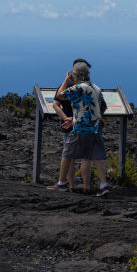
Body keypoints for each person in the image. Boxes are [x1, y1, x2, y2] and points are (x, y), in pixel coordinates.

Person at [52, 60, 110, 196]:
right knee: (95, 156)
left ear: (75, 75)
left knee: (67, 154)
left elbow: (60, 96)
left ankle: (61, 183)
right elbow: (103, 108)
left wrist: (66, 81)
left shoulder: (79, 87)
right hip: (96, 127)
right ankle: (103, 185)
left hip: (82, 129)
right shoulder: (96, 87)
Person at [45, 58, 90, 191]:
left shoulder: (65, 85)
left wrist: (65, 118)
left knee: (69, 156)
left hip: (68, 126)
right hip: (82, 125)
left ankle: (71, 186)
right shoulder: (85, 87)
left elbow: (55, 103)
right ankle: (86, 186)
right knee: (84, 157)